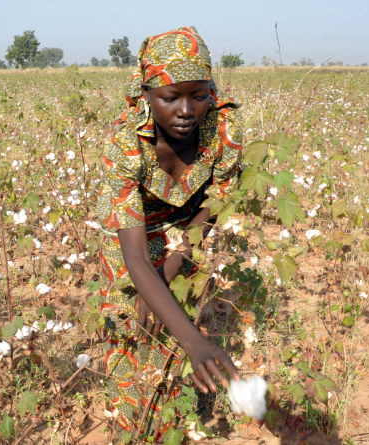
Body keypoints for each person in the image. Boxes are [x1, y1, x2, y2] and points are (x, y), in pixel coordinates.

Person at [95, 26, 245, 439]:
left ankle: (173, 419)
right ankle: (131, 426)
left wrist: (174, 266)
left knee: (173, 323)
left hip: (190, 230)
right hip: (131, 235)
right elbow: (136, 259)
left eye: (198, 95)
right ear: (146, 94)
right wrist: (197, 342)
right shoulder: (125, 145)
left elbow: (217, 200)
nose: (186, 110)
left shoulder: (223, 128)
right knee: (132, 323)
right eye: (170, 97)